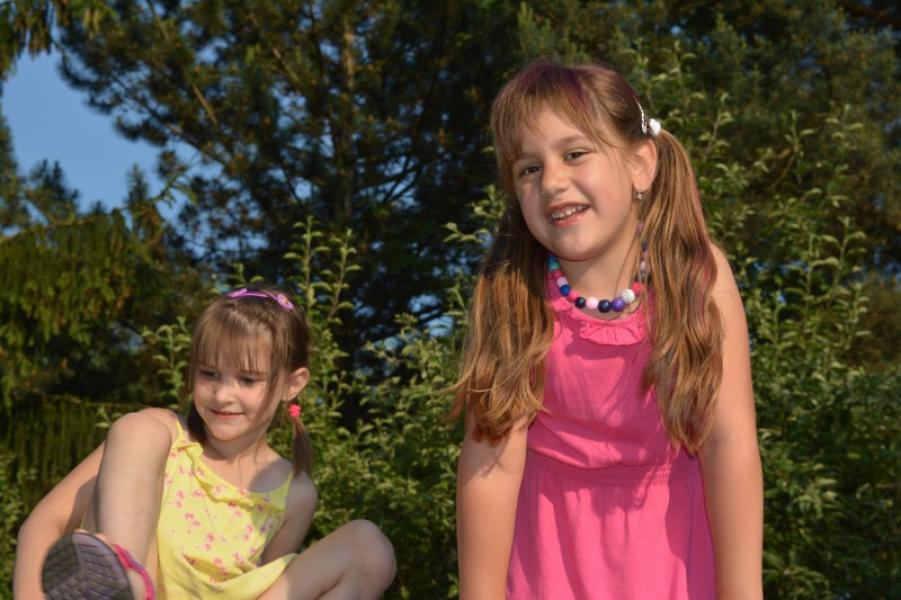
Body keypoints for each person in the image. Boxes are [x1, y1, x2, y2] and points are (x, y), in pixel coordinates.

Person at [453, 61, 763, 599]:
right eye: (529, 168)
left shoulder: (695, 278)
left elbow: (727, 444)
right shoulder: (513, 295)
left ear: (640, 164)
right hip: (547, 569)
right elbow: (492, 467)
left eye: (575, 154)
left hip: (677, 564)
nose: (551, 181)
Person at [15, 286, 396, 599]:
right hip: (140, 580)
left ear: (292, 384)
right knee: (136, 428)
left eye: (247, 379)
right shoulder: (158, 439)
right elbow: (43, 524)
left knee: (369, 546)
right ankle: (125, 577)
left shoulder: (295, 494)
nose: (222, 395)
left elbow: (270, 588)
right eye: (209, 374)